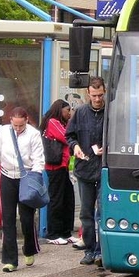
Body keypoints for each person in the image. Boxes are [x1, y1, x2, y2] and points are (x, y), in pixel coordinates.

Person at [0, 107, 44, 272]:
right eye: (15, 125)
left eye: (21, 126)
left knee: (26, 218)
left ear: (26, 121)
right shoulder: (3, 133)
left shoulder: (33, 134)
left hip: (26, 177)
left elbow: (39, 159)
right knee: (8, 219)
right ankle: (10, 260)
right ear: (10, 121)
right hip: (7, 177)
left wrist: (35, 177)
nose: (18, 129)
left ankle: (30, 248)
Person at [66, 76, 105, 266]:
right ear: (88, 93)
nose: (97, 99)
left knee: (103, 212)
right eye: (94, 95)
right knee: (87, 214)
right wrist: (74, 147)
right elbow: (69, 135)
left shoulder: (111, 112)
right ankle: (90, 250)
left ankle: (101, 251)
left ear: (104, 92)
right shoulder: (81, 112)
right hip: (85, 168)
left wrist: (106, 147)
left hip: (104, 169)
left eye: (100, 95)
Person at [40, 99, 77, 245]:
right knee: (56, 200)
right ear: (60, 110)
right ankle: (53, 233)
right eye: (67, 110)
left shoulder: (62, 122)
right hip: (56, 167)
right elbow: (67, 136)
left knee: (68, 200)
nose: (69, 113)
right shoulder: (53, 122)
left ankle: (66, 232)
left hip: (66, 167)